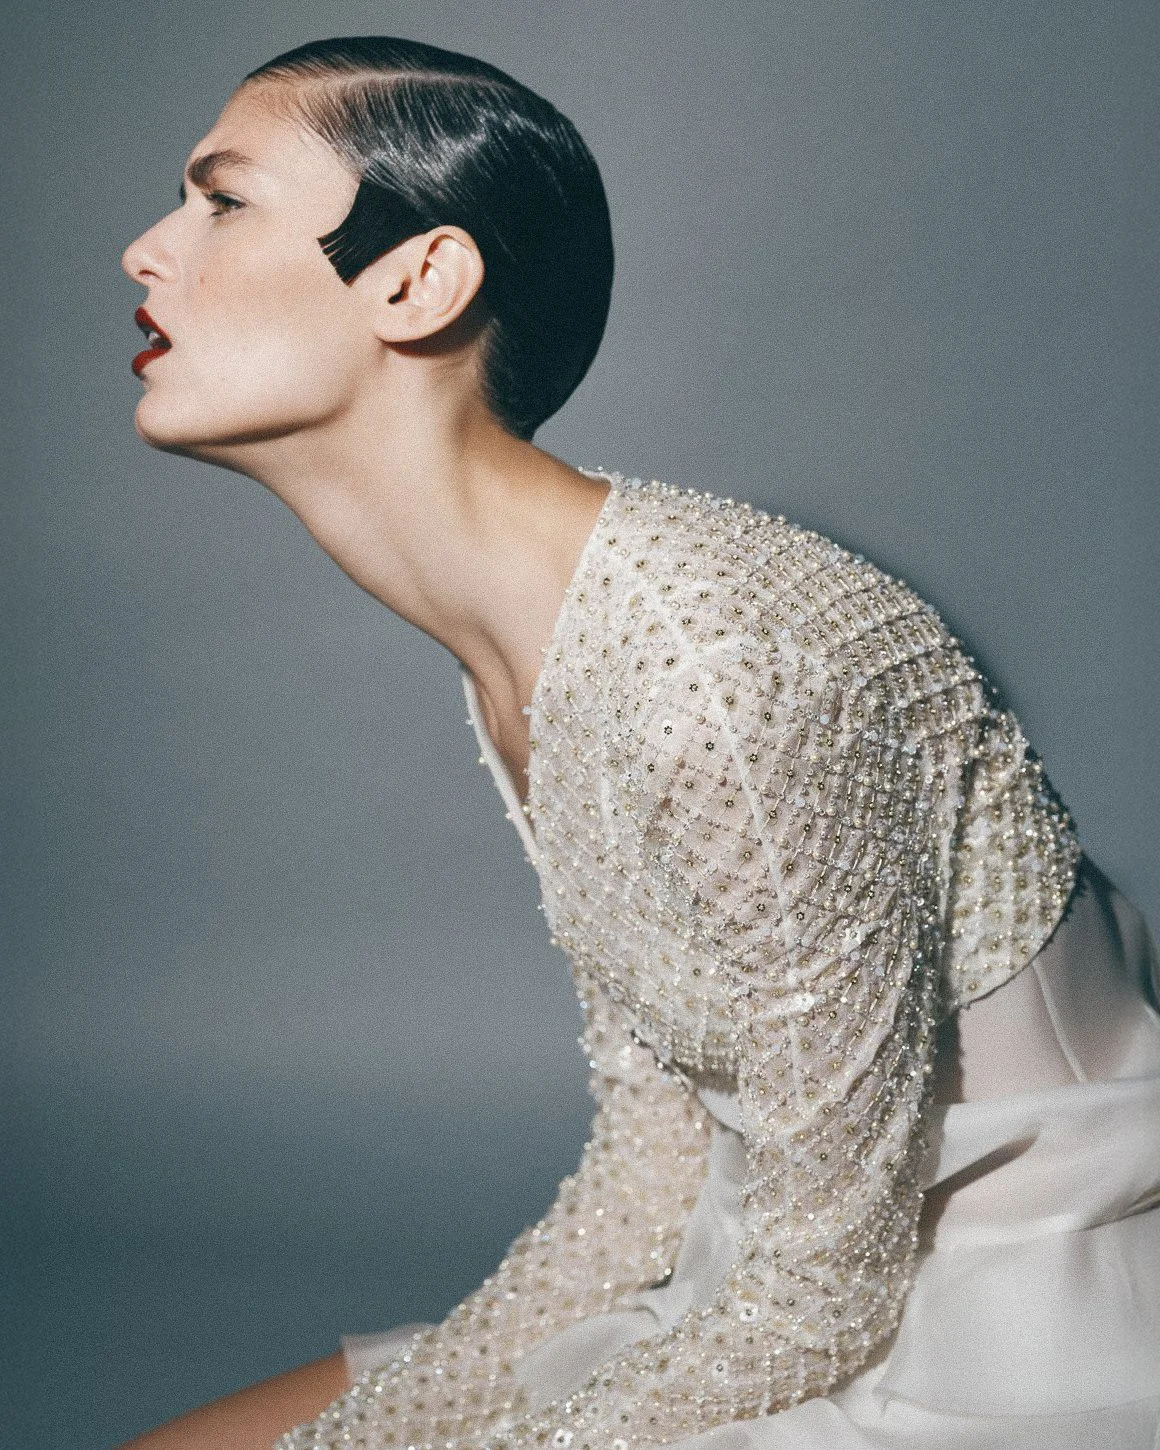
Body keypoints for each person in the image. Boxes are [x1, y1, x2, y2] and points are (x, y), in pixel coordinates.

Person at [118, 35, 1160, 1450]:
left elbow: (824, 1296)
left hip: (1002, 1323)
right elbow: (652, 1170)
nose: (146, 250)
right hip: (757, 1269)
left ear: (416, 281)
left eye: (223, 200)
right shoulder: (529, 634)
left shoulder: (711, 663)